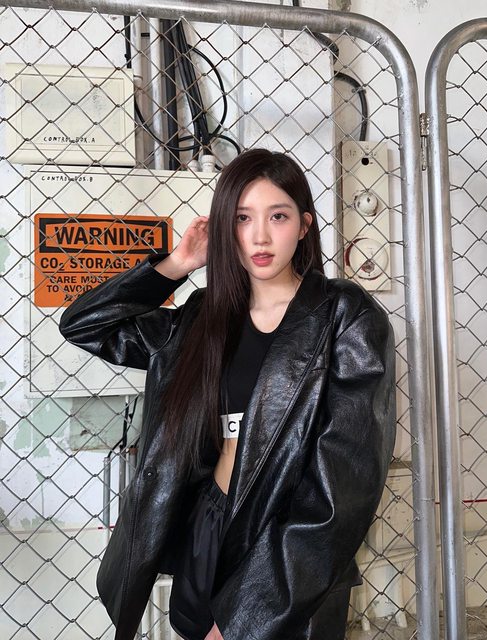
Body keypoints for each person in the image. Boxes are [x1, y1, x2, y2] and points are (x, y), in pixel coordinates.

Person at [59, 148, 396, 640]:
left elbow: (340, 492)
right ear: (224, 228)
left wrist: (249, 613)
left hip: (287, 548)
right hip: (208, 527)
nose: (259, 236)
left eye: (277, 216)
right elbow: (85, 324)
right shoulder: (201, 318)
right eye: (241, 218)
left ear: (303, 226)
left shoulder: (345, 316)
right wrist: (177, 264)